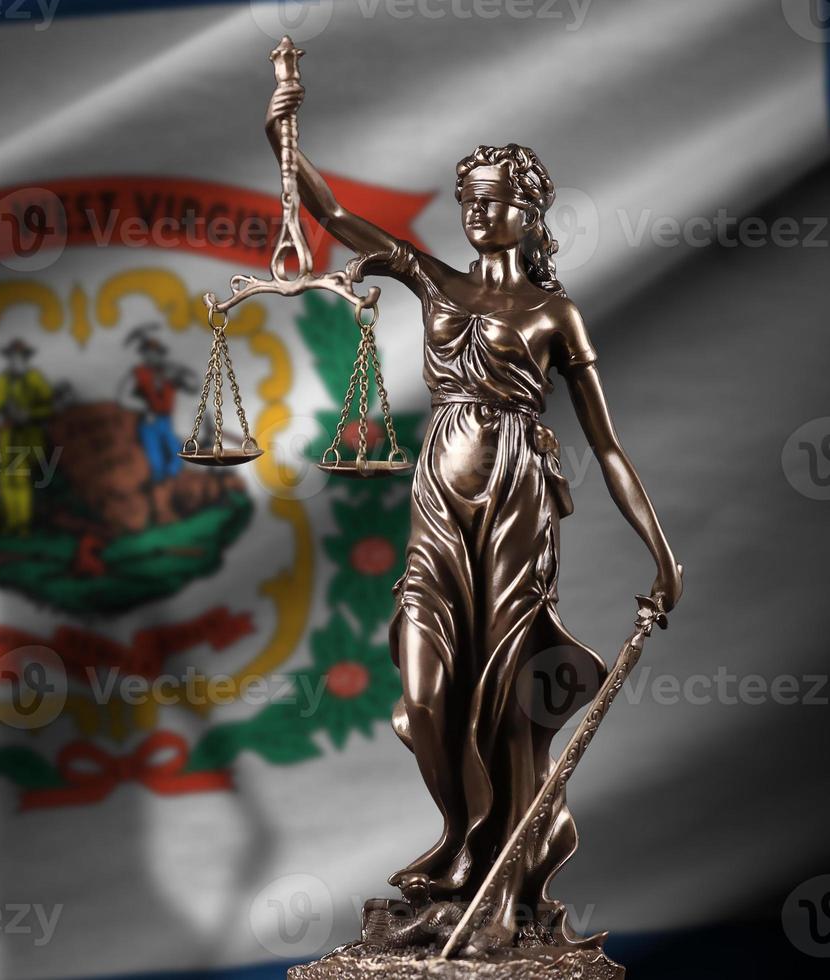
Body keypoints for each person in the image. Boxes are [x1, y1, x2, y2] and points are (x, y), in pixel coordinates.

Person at [267, 81, 683, 954]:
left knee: (508, 694)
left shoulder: (552, 314)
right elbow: (338, 216)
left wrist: (661, 552)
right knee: (426, 692)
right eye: (469, 202)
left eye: (498, 202)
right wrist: (286, 140)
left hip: (518, 498)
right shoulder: (433, 279)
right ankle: (463, 849)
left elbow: (606, 445)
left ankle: (503, 887)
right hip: (440, 496)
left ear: (532, 212)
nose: (480, 214)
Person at [0, 339, 52, 534]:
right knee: (6, 480)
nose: (15, 360)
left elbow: (49, 407)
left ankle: (23, 524)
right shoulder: (2, 381)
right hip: (7, 437)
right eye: (11, 357)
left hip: (28, 437)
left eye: (19, 357)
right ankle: (12, 523)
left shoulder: (35, 379)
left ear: (26, 358)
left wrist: (29, 415)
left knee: (20, 480)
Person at [117, 326, 198, 484]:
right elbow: (123, 397)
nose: (152, 357)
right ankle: (159, 480)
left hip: (166, 420)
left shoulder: (171, 371)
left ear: (161, 354)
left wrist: (181, 375)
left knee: (175, 451)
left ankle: (174, 479)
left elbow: (193, 386)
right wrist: (143, 407)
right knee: (154, 454)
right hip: (148, 421)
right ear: (144, 355)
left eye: (155, 353)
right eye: (147, 353)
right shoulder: (139, 373)